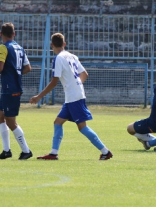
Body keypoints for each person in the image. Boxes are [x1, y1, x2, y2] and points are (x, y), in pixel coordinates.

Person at [30, 32, 113, 161]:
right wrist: (76, 85)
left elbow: (54, 82)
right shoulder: (72, 56)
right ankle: (53, 153)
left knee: (82, 127)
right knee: (58, 123)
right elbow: (84, 74)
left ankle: (105, 151)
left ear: (51, 45)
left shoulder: (58, 58)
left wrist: (39, 96)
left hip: (74, 97)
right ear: (64, 44)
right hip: (73, 96)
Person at [0, 22, 34, 160]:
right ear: (14, 34)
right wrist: (15, 73)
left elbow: (0, 67)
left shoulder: (3, 47)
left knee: (11, 121)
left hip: (10, 89)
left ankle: (26, 150)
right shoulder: (20, 48)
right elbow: (28, 68)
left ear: (1, 34)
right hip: (10, 88)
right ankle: (6, 151)